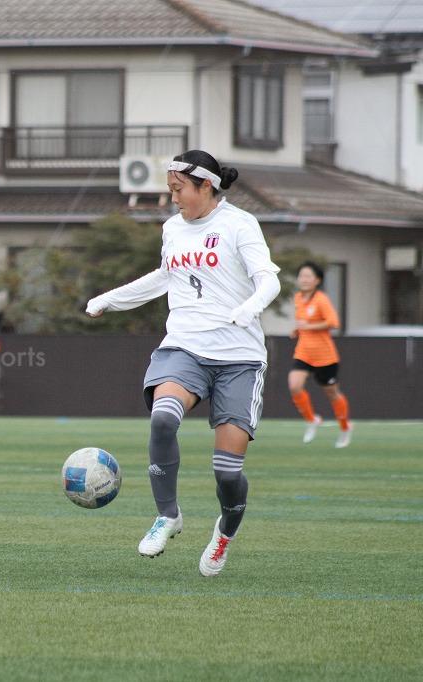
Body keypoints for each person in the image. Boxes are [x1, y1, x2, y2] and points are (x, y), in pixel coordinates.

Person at [86, 150, 280, 577]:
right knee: (163, 419)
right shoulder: (173, 228)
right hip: (185, 347)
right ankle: (168, 514)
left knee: (227, 472)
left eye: (178, 190)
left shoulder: (239, 224)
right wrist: (110, 299)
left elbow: (269, 277)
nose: (173, 198)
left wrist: (249, 308)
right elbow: (164, 277)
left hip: (238, 359)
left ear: (205, 186)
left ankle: (224, 533)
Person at [288, 261, 352, 448]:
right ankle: (311, 420)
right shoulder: (298, 298)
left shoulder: (321, 299)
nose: (304, 279)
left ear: (317, 280)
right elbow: (303, 323)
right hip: (304, 353)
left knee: (332, 394)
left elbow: (334, 322)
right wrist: (298, 331)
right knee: (294, 385)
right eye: (301, 276)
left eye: (308, 276)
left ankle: (345, 427)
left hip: (325, 356)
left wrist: (309, 326)